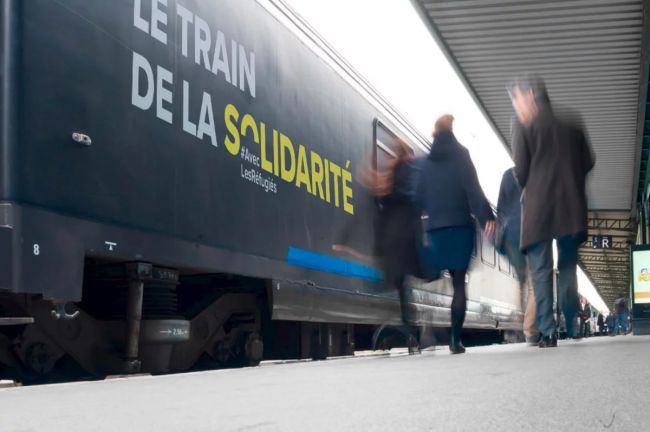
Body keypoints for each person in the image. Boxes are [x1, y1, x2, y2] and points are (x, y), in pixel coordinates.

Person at [508, 74, 595, 348]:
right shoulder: (572, 122)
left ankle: (548, 332)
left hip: (539, 209)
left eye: (516, 98)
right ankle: (571, 323)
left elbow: (521, 171)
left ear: (530, 95)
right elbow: (589, 161)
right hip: (570, 206)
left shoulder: (524, 125)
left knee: (542, 270)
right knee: (567, 266)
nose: (515, 104)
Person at [416, 114, 495, 354]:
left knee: (436, 272)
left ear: (434, 132)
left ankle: (423, 316)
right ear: (452, 130)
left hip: (437, 228)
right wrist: (486, 218)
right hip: (460, 226)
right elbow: (473, 190)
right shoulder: (462, 155)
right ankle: (454, 340)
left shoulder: (426, 162)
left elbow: (419, 196)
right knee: (459, 283)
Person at [357, 139, 421, 351]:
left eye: (394, 152)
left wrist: (368, 165)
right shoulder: (410, 172)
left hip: (397, 237)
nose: (391, 156)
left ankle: (409, 329)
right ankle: (411, 331)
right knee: (401, 284)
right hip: (406, 236)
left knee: (397, 283)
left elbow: (377, 185)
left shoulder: (400, 172)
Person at [496, 164, 539, 345]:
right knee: (533, 284)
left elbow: (501, 208)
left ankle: (519, 313)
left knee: (522, 278)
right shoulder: (537, 172)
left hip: (512, 236)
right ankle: (530, 330)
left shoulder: (508, 174)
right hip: (532, 231)